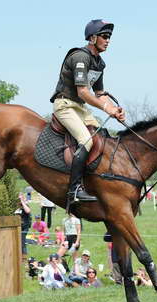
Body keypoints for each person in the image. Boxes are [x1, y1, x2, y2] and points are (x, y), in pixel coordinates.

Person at [51, 19, 125, 205]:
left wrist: (115, 110)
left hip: (80, 108)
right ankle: (74, 190)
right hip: (65, 105)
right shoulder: (80, 57)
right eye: (104, 36)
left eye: (109, 37)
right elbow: (83, 92)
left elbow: (99, 94)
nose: (108, 40)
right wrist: (107, 108)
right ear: (92, 38)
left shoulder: (100, 63)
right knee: (86, 140)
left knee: (104, 138)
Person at [14, 193, 31, 262]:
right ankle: (18, 256)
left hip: (24, 228)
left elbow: (28, 211)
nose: (19, 200)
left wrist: (23, 202)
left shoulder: (25, 206)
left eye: (21, 198)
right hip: (17, 227)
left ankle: (24, 258)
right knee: (17, 242)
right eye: (19, 198)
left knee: (22, 242)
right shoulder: (17, 208)